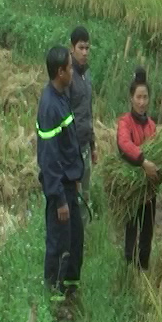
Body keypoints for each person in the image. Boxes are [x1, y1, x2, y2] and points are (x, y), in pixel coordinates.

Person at [36, 46, 85, 318]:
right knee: (59, 246)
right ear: (60, 72)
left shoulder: (61, 97)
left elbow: (68, 146)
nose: (73, 72)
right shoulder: (50, 106)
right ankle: (55, 305)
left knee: (74, 239)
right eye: (70, 67)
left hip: (69, 185)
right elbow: (49, 157)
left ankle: (69, 292)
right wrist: (59, 198)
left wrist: (75, 178)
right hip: (60, 191)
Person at [117, 67, 158, 270]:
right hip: (132, 187)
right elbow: (125, 144)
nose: (142, 102)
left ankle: (143, 268)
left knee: (147, 231)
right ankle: (129, 270)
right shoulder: (125, 122)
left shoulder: (151, 125)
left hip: (149, 189)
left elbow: (158, 150)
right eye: (138, 97)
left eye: (145, 97)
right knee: (132, 228)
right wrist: (143, 161)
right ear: (131, 98)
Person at [67, 26, 97, 224]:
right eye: (81, 48)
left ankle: (83, 240)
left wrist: (93, 145)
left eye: (87, 48)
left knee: (85, 197)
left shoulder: (87, 78)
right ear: (72, 48)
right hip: (72, 149)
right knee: (73, 199)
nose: (85, 52)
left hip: (86, 146)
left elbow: (88, 113)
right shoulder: (68, 77)